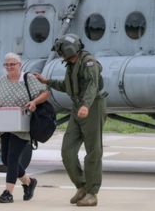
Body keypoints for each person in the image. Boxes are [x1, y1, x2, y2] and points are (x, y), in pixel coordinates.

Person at [34, 34, 106, 207]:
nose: (59, 54)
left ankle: (92, 193)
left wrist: (86, 106)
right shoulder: (71, 65)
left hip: (92, 107)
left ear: (67, 50)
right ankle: (81, 186)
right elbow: (68, 86)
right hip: (78, 108)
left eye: (60, 50)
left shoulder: (89, 63)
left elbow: (92, 86)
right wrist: (47, 81)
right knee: (67, 151)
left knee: (93, 152)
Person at [0, 52, 51, 203]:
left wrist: (34, 102)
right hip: (5, 124)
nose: (9, 67)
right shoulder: (1, 81)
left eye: (12, 64)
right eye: (7, 65)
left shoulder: (28, 79)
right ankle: (29, 182)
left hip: (22, 125)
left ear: (19, 65)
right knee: (5, 159)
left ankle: (8, 193)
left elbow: (46, 93)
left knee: (13, 157)